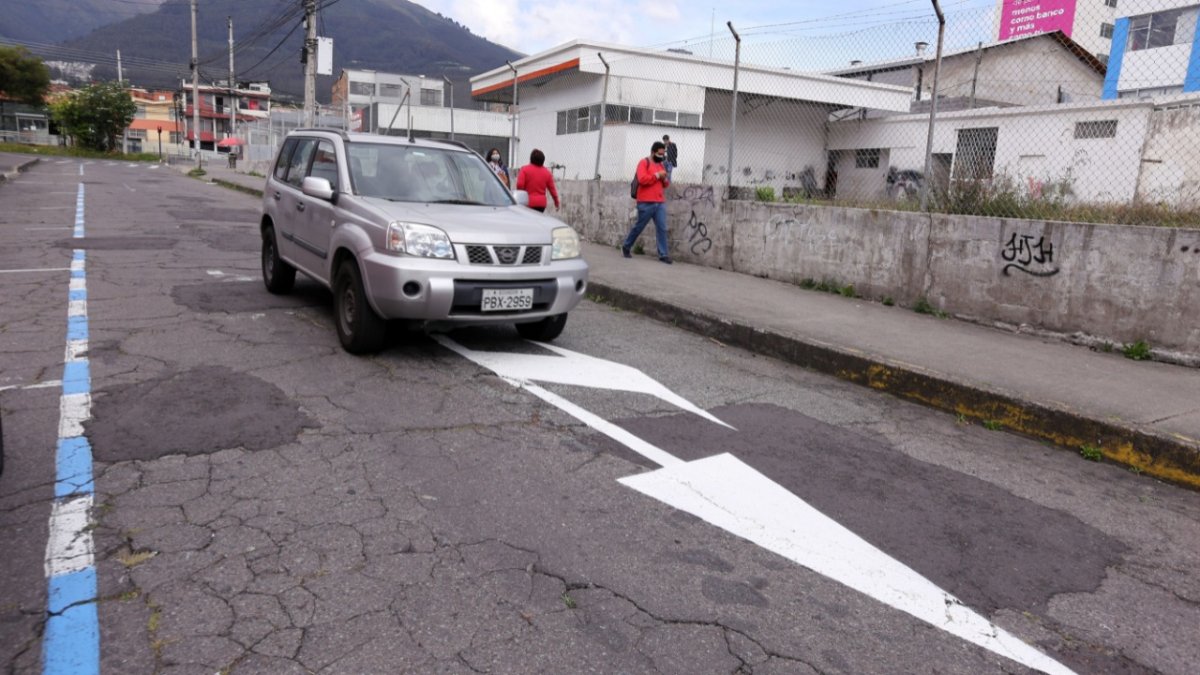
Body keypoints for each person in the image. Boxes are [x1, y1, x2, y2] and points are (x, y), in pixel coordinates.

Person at [621, 141, 672, 264]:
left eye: (663, 154)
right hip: (646, 202)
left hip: (659, 202)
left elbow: (665, 184)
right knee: (639, 226)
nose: (661, 156)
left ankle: (663, 254)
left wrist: (664, 178)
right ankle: (626, 246)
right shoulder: (643, 163)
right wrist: (657, 175)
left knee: (662, 228)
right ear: (653, 152)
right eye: (659, 154)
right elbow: (642, 179)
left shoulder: (661, 165)